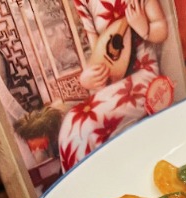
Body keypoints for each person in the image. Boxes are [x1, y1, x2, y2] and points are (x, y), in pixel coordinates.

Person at [57, 0, 168, 172]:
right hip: (113, 81)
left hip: (144, 76)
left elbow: (161, 29)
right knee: (71, 123)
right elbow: (99, 52)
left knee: (83, 125)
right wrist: (86, 78)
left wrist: (145, 30)